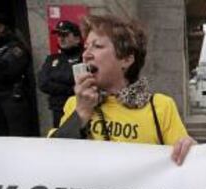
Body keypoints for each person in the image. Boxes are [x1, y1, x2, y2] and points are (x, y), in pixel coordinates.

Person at [49, 14, 196, 165]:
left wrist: (190, 150)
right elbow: (53, 158)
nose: (85, 55)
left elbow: (184, 164)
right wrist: (81, 113)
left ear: (126, 60)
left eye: (97, 46)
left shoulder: (160, 106)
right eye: (86, 47)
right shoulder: (75, 104)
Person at [0, 11, 31, 136]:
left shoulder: (15, 44)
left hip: (11, 97)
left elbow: (9, 71)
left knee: (18, 137)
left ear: (1, 26)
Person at [38, 20, 83, 127]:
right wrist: (70, 88)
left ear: (77, 38)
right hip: (58, 109)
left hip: (80, 108)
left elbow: (81, 82)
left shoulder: (85, 57)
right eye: (59, 35)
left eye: (65, 35)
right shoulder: (52, 59)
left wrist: (57, 79)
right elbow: (43, 83)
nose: (61, 38)